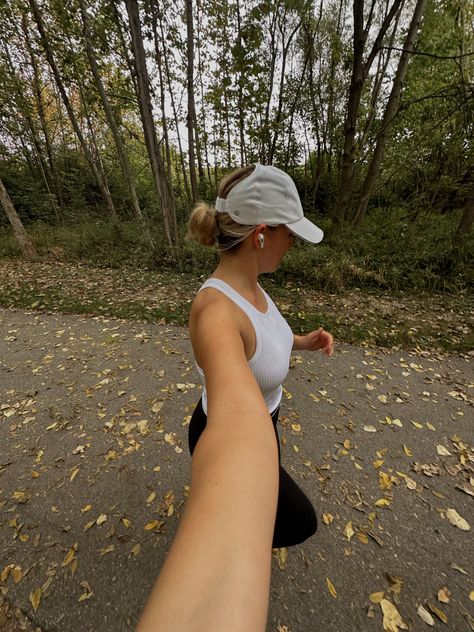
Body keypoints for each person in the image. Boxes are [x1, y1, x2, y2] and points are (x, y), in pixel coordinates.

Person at [136, 164, 333, 632]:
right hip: (235, 427)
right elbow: (238, 416)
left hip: (269, 421)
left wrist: (301, 341)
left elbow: (263, 342)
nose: (294, 245)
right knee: (298, 520)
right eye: (291, 234)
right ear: (262, 234)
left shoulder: (253, 287)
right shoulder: (216, 312)